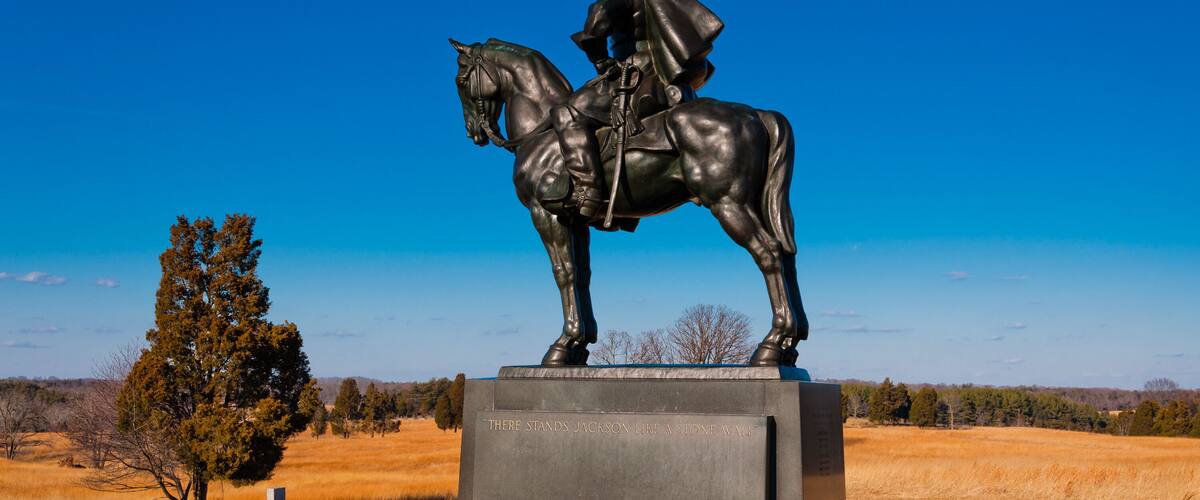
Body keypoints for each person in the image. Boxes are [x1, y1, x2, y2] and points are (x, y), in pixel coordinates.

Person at [552, 0, 723, 219]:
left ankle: (588, 190)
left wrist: (601, 60)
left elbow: (597, 22)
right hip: (664, 74)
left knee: (567, 111)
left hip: (637, 75)